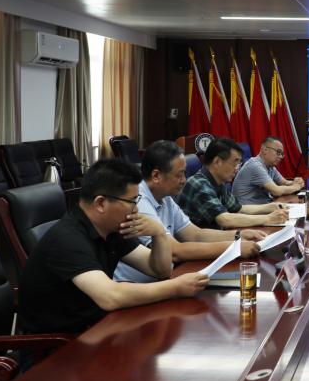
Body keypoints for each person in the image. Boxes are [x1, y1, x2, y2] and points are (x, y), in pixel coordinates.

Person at [18, 158, 208, 334]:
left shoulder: (111, 229)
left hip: (97, 329)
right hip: (58, 347)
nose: (136, 209)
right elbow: (110, 297)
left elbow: (160, 269)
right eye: (132, 201)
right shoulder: (67, 240)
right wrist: (176, 287)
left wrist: (159, 234)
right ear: (101, 203)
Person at [114, 140, 265, 283]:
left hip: (165, 279)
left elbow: (195, 234)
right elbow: (174, 251)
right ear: (156, 176)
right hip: (137, 287)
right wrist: (233, 248)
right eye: (179, 175)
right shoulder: (138, 200)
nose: (184, 180)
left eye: (184, 174)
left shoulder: (165, 197)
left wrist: (238, 235)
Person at [179, 137, 290, 229]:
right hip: (201, 244)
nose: (237, 169)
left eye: (239, 163)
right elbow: (225, 219)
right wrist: (268, 218)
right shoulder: (198, 184)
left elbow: (240, 208)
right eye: (235, 162)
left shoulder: (218, 182)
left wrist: (271, 207)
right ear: (217, 161)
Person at [232, 136, 304, 205]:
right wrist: (296, 187)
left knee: (295, 199)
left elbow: (284, 182)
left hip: (262, 204)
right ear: (264, 150)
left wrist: (296, 182)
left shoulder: (270, 166)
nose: (280, 157)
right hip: (248, 209)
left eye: (282, 154)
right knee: (289, 200)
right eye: (278, 152)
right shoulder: (255, 166)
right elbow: (276, 191)